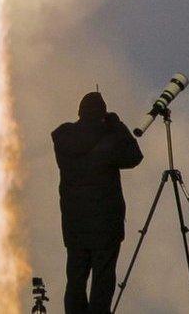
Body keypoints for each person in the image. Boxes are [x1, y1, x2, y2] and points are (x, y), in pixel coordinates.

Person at [52, 92, 144, 314]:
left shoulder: (64, 138)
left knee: (75, 279)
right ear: (102, 114)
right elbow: (134, 156)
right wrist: (117, 125)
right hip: (106, 225)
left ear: (80, 112)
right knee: (102, 281)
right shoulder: (109, 140)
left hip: (74, 225)